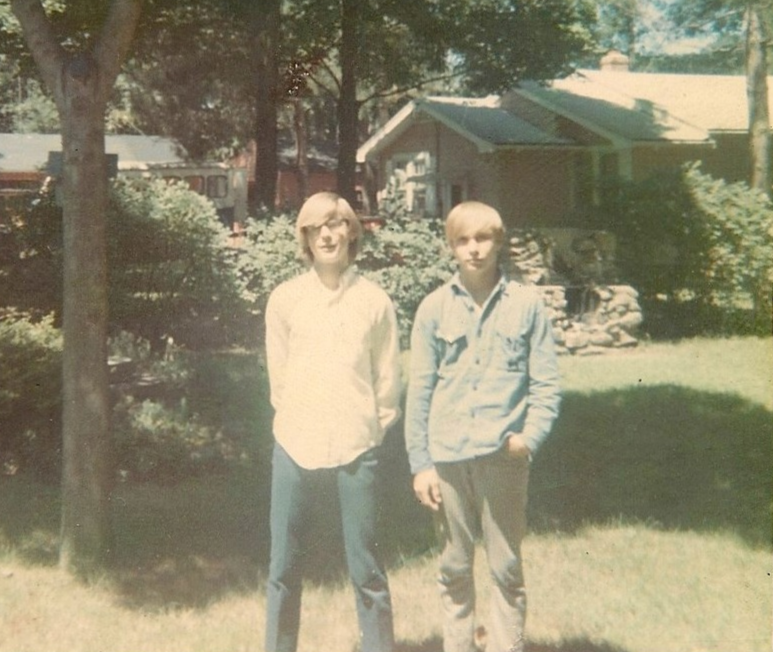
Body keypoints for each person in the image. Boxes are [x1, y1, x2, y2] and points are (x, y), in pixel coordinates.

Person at [405, 201, 561, 652]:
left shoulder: (527, 306)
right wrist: (421, 464)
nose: (473, 249)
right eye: (463, 240)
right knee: (454, 566)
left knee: (506, 568)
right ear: (451, 246)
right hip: (448, 459)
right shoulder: (434, 308)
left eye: (483, 238)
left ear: (499, 242)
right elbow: (420, 391)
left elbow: (546, 385)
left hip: (502, 457)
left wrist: (529, 438)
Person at [264, 192, 401, 652]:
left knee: (367, 569)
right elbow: (279, 379)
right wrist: (299, 419)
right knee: (283, 568)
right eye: (316, 228)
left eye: (336, 225)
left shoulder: (374, 301)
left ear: (351, 233)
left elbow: (387, 381)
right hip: (294, 444)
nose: (326, 235)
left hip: (356, 446)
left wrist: (370, 429)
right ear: (305, 237)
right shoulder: (285, 300)